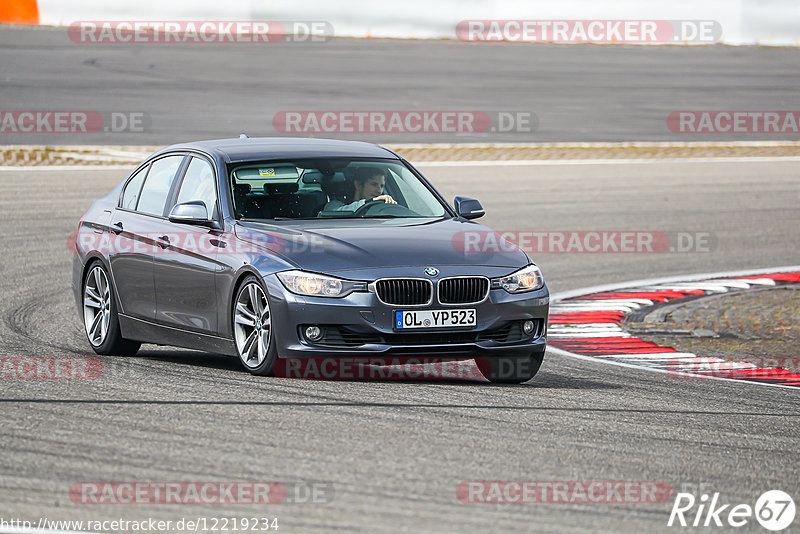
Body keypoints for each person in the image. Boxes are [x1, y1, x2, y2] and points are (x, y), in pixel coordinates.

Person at [325, 167, 396, 211]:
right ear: (358, 185)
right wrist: (371, 201)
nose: (379, 191)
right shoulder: (334, 205)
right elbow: (336, 212)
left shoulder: (382, 211)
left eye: (382, 186)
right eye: (374, 184)